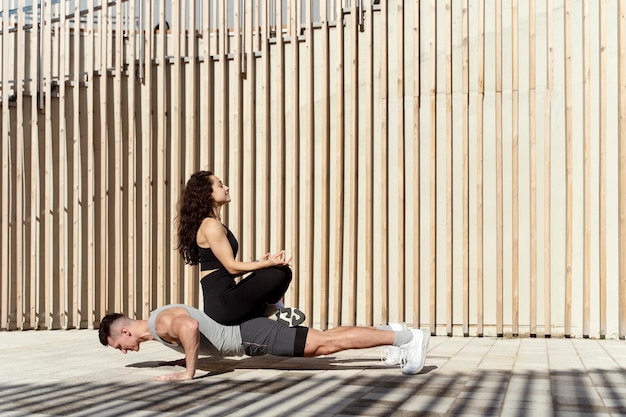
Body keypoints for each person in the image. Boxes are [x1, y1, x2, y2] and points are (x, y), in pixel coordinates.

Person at [98, 304, 431, 381]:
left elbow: (190, 326)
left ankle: (408, 337)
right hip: (249, 333)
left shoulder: (159, 322)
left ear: (124, 333)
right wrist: (180, 360)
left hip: (252, 337)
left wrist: (189, 371)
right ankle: (390, 331)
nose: (122, 350)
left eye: (118, 346)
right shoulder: (156, 325)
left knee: (328, 346)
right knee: (326, 339)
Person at [176, 170, 303, 326]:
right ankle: (273, 312)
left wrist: (260, 263)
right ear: (207, 194)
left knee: (277, 271)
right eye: (221, 185)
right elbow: (232, 268)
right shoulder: (210, 225)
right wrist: (266, 264)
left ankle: (272, 312)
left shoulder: (212, 224)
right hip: (223, 305)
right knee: (279, 272)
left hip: (227, 299)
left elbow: (227, 267)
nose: (227, 188)